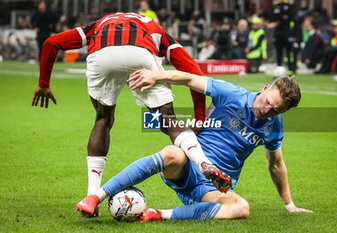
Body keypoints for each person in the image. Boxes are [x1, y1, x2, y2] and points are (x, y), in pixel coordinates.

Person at [31, 12, 230, 216]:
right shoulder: (155, 28)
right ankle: (204, 162)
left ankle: (92, 197)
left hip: (102, 54)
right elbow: (192, 70)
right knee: (169, 121)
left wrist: (44, 84)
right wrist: (198, 116)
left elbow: (51, 43)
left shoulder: (98, 24)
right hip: (141, 52)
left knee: (102, 120)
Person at [76, 68, 314, 221]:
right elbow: (190, 78)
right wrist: (157, 75)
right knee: (172, 152)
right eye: (268, 101)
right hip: (187, 167)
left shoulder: (274, 126)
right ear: (264, 89)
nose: (267, 110)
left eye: (276, 110)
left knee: (241, 208)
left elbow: (276, 164)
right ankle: (95, 196)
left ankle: (157, 215)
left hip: (212, 189)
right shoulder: (232, 94)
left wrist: (290, 205)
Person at [269, 0, 298, 74]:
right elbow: (272, 18)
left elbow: (290, 18)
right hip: (278, 33)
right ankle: (278, 70)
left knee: (289, 52)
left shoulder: (289, 6)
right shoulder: (276, 6)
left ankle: (291, 69)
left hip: (287, 32)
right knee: (279, 52)